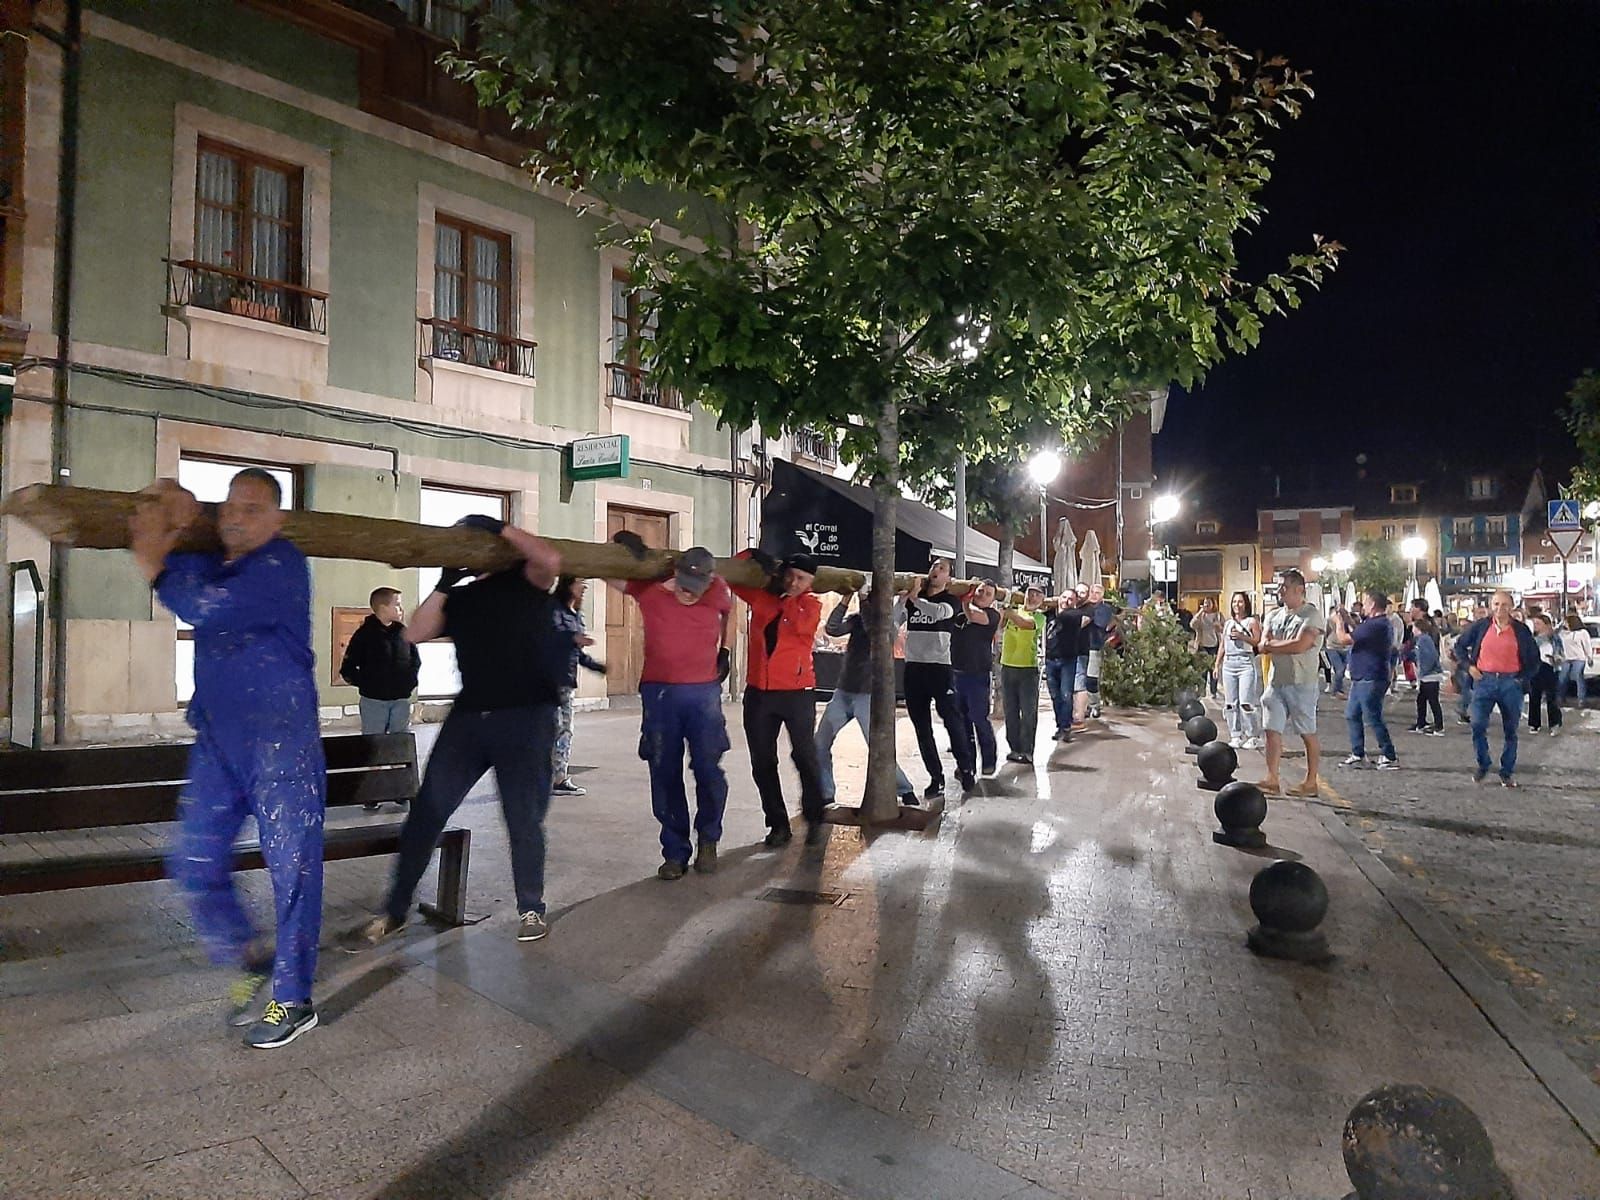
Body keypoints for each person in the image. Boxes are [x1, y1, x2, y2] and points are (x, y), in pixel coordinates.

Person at [129, 469, 326, 1049]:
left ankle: (293, 998)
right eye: (229, 507)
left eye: (254, 508)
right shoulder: (211, 561)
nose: (236, 517)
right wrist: (173, 512)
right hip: (218, 743)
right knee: (193, 858)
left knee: (292, 868)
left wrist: (152, 558)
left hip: (280, 743)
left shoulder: (280, 565)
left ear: (279, 519)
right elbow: (184, 577)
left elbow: (203, 605)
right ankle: (247, 954)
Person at [346, 512, 566, 947]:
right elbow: (415, 631)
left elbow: (550, 558)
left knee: (523, 818)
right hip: (470, 718)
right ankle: (395, 910)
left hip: (526, 716)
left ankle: (531, 908)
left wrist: (499, 527)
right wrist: (445, 582)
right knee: (427, 812)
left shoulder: (529, 581)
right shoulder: (461, 598)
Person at [735, 549, 828, 846]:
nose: (793, 582)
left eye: (800, 578)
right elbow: (732, 579)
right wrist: (752, 555)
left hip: (796, 692)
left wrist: (786, 595)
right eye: (789, 575)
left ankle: (815, 816)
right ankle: (777, 823)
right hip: (759, 692)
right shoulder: (763, 598)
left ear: (810, 581)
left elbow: (801, 626)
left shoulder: (811, 604)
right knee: (762, 760)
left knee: (804, 755)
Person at [815, 581, 918, 806]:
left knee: (878, 746)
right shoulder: (857, 619)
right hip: (844, 691)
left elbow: (875, 631)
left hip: (868, 695)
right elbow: (832, 629)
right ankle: (825, 793)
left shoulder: (888, 623)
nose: (869, 600)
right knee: (820, 744)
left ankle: (904, 789)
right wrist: (844, 600)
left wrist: (861, 600)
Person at [897, 558, 977, 793]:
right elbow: (893, 620)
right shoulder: (913, 602)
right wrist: (903, 600)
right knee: (921, 727)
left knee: (952, 721)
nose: (935, 571)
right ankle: (936, 777)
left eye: (942, 569)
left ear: (948, 579)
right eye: (933, 566)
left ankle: (966, 768)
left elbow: (940, 613)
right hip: (914, 668)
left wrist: (913, 599)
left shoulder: (949, 600)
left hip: (939, 669)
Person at [1452, 590, 1540, 786]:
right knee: (1477, 724)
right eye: (1496, 604)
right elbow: (1459, 647)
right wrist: (1469, 667)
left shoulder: (1521, 630)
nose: (1500, 609)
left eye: (1504, 605)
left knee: (1511, 730)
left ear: (1511, 607)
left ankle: (1506, 771)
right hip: (1485, 681)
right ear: (1491, 606)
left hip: (1511, 683)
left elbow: (1535, 659)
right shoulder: (1481, 627)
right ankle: (1483, 764)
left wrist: (1521, 679)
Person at [1253, 569, 1325, 798]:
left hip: (1302, 682)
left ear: (1299, 589)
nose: (1279, 591)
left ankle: (1311, 781)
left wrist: (1272, 646)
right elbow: (1263, 641)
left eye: (1284, 587)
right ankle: (1271, 777)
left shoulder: (1311, 615)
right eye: (1279, 587)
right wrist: (1274, 644)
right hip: (1276, 681)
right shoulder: (1274, 615)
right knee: (1271, 729)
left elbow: (1301, 645)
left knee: (1307, 731)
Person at [339, 586, 421, 739]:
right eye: (397, 604)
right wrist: (368, 684)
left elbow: (415, 661)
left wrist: (410, 682)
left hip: (401, 699)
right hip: (374, 702)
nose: (401, 609)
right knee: (374, 742)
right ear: (383, 608)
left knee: (400, 742)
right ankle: (375, 764)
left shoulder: (404, 633)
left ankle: (398, 764)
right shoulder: (364, 635)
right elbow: (347, 668)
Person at [550, 576, 607, 797]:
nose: (584, 588)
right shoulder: (554, 610)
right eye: (580, 583)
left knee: (564, 729)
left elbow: (577, 652)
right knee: (554, 729)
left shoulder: (576, 615)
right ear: (568, 585)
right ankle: (553, 777)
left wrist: (596, 667)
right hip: (550, 679)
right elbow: (551, 637)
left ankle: (558, 777)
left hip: (566, 680)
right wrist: (573, 638)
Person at [1336, 588, 1399, 770]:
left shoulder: (1377, 624)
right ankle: (1358, 753)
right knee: (1352, 714)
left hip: (1371, 677)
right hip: (1361, 676)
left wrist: (1339, 623)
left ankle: (1389, 755)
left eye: (1364, 602)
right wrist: (1347, 618)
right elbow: (1359, 632)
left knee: (1373, 717)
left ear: (1372, 604)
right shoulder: (1373, 623)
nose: (1362, 606)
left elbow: (1344, 639)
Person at [951, 580, 1002, 775]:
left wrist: (965, 600)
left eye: (988, 593)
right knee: (961, 722)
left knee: (979, 719)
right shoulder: (959, 612)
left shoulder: (992, 615)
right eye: (980, 591)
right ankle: (966, 763)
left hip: (977, 675)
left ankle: (988, 761)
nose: (982, 595)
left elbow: (973, 616)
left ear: (992, 600)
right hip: (956, 672)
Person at [999, 585, 1047, 763]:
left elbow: (1025, 625)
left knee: (1028, 711)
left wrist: (1009, 611)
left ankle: (1027, 751)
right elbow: (1000, 625)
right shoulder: (1014, 610)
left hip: (1028, 669)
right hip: (1007, 666)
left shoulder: (1039, 617)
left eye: (1037, 595)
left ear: (1042, 600)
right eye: (1030, 593)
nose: (1033, 597)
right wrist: (1006, 610)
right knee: (1010, 711)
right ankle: (1014, 748)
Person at [1217, 590, 1263, 750]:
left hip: (1245, 662)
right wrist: (1217, 664)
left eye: (1240, 601)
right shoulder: (1228, 623)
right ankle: (1235, 734)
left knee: (1245, 702)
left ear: (1246, 604)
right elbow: (1223, 645)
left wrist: (1243, 637)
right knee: (1230, 703)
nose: (1237, 605)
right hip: (1229, 663)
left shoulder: (1252, 622)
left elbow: (1257, 641)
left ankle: (1253, 735)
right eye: (1234, 602)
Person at [1044, 590, 1087, 743]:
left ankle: (1066, 727)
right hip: (1050, 660)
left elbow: (1079, 613)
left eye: (1071, 599)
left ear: (1075, 602)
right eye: (1064, 597)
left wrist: (1059, 604)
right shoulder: (1049, 613)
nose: (1067, 601)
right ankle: (1060, 726)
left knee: (1066, 694)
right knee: (1055, 695)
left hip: (1068, 660)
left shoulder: (1074, 615)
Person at [1078, 582, 1115, 722]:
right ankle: (1085, 706)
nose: (1094, 595)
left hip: (1094, 647)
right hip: (1080, 648)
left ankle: (1095, 705)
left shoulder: (1104, 609)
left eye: (1097, 593)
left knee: (1091, 678)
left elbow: (1100, 623)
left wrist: (1087, 615)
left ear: (1102, 596)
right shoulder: (1084, 607)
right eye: (1092, 592)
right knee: (1080, 679)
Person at [1451, 600, 1490, 724]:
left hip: (1488, 667)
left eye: (1483, 612)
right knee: (1469, 688)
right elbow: (1460, 645)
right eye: (1479, 612)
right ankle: (1465, 710)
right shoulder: (1476, 627)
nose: (1482, 615)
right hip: (1475, 664)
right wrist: (1466, 663)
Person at [1407, 613, 1446, 735]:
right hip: (1427, 675)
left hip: (1430, 676)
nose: (1412, 630)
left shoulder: (1424, 640)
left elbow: (1431, 657)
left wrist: (1423, 671)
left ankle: (1439, 726)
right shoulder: (1422, 640)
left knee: (1432, 700)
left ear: (1419, 629)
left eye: (1414, 628)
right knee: (1422, 699)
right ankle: (1421, 722)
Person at [1527, 613, 1564, 736]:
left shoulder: (1555, 638)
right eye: (1535, 624)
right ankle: (1534, 724)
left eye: (1538, 624)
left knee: (1552, 697)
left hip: (1551, 668)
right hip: (1536, 668)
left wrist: (1557, 657)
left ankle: (1554, 724)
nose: (1536, 626)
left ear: (1546, 625)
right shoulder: (1532, 638)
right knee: (1534, 696)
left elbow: (1561, 652)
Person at [1191, 596, 1223, 699]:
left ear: (1213, 604)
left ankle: (1213, 690)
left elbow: (1224, 628)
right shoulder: (1201, 615)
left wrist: (1219, 627)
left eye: (1209, 603)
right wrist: (1200, 612)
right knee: (1202, 670)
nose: (1206, 605)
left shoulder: (1218, 615)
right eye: (1205, 603)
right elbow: (1192, 624)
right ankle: (1201, 690)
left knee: (1213, 668)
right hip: (1202, 645)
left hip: (1214, 644)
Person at [1559, 612, 1592, 706]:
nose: (1564, 623)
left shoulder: (1582, 633)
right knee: (1562, 678)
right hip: (1566, 658)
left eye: (1566, 621)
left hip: (1579, 658)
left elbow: (1587, 645)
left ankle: (1581, 699)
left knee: (1577, 677)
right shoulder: (1562, 633)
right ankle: (1561, 698)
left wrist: (1589, 657)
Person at [1323, 605, 1350, 697]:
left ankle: (1339, 688)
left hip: (1345, 647)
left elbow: (1351, 630)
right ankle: (1336, 690)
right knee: (1339, 669)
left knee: (1341, 670)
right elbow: (1326, 632)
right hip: (1332, 647)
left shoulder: (1348, 620)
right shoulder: (1330, 620)